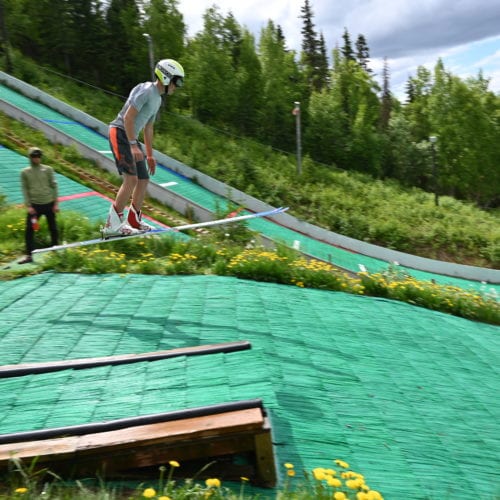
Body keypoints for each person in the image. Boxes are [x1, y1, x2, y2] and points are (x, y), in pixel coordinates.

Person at [104, 58, 185, 236]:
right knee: (131, 179)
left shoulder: (157, 99)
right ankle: (112, 224)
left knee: (143, 179)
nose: (177, 86)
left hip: (131, 138)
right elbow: (127, 118)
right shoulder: (146, 90)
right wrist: (133, 145)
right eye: (176, 81)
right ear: (166, 77)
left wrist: (149, 155)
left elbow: (148, 127)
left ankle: (134, 219)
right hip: (120, 133)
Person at [19, 147, 59, 263]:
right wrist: (29, 206)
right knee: (29, 230)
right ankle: (29, 255)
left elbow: (54, 186)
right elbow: (25, 189)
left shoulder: (48, 170)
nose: (36, 159)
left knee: (53, 228)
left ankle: (55, 250)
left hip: (49, 204)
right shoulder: (25, 172)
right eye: (34, 156)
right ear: (30, 157)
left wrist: (56, 203)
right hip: (34, 207)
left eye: (38, 156)